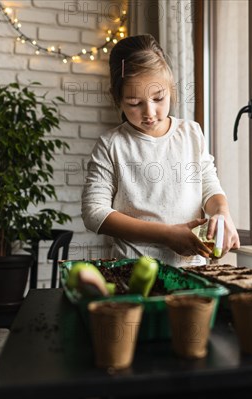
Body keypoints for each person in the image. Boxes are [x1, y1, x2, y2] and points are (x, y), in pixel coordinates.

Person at [81, 34, 240, 267]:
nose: (150, 112)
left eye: (158, 98)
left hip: (193, 269)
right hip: (134, 271)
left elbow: (209, 187)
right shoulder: (111, 144)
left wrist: (222, 213)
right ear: (117, 99)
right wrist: (166, 234)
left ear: (170, 90)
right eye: (135, 103)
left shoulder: (191, 133)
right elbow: (94, 212)